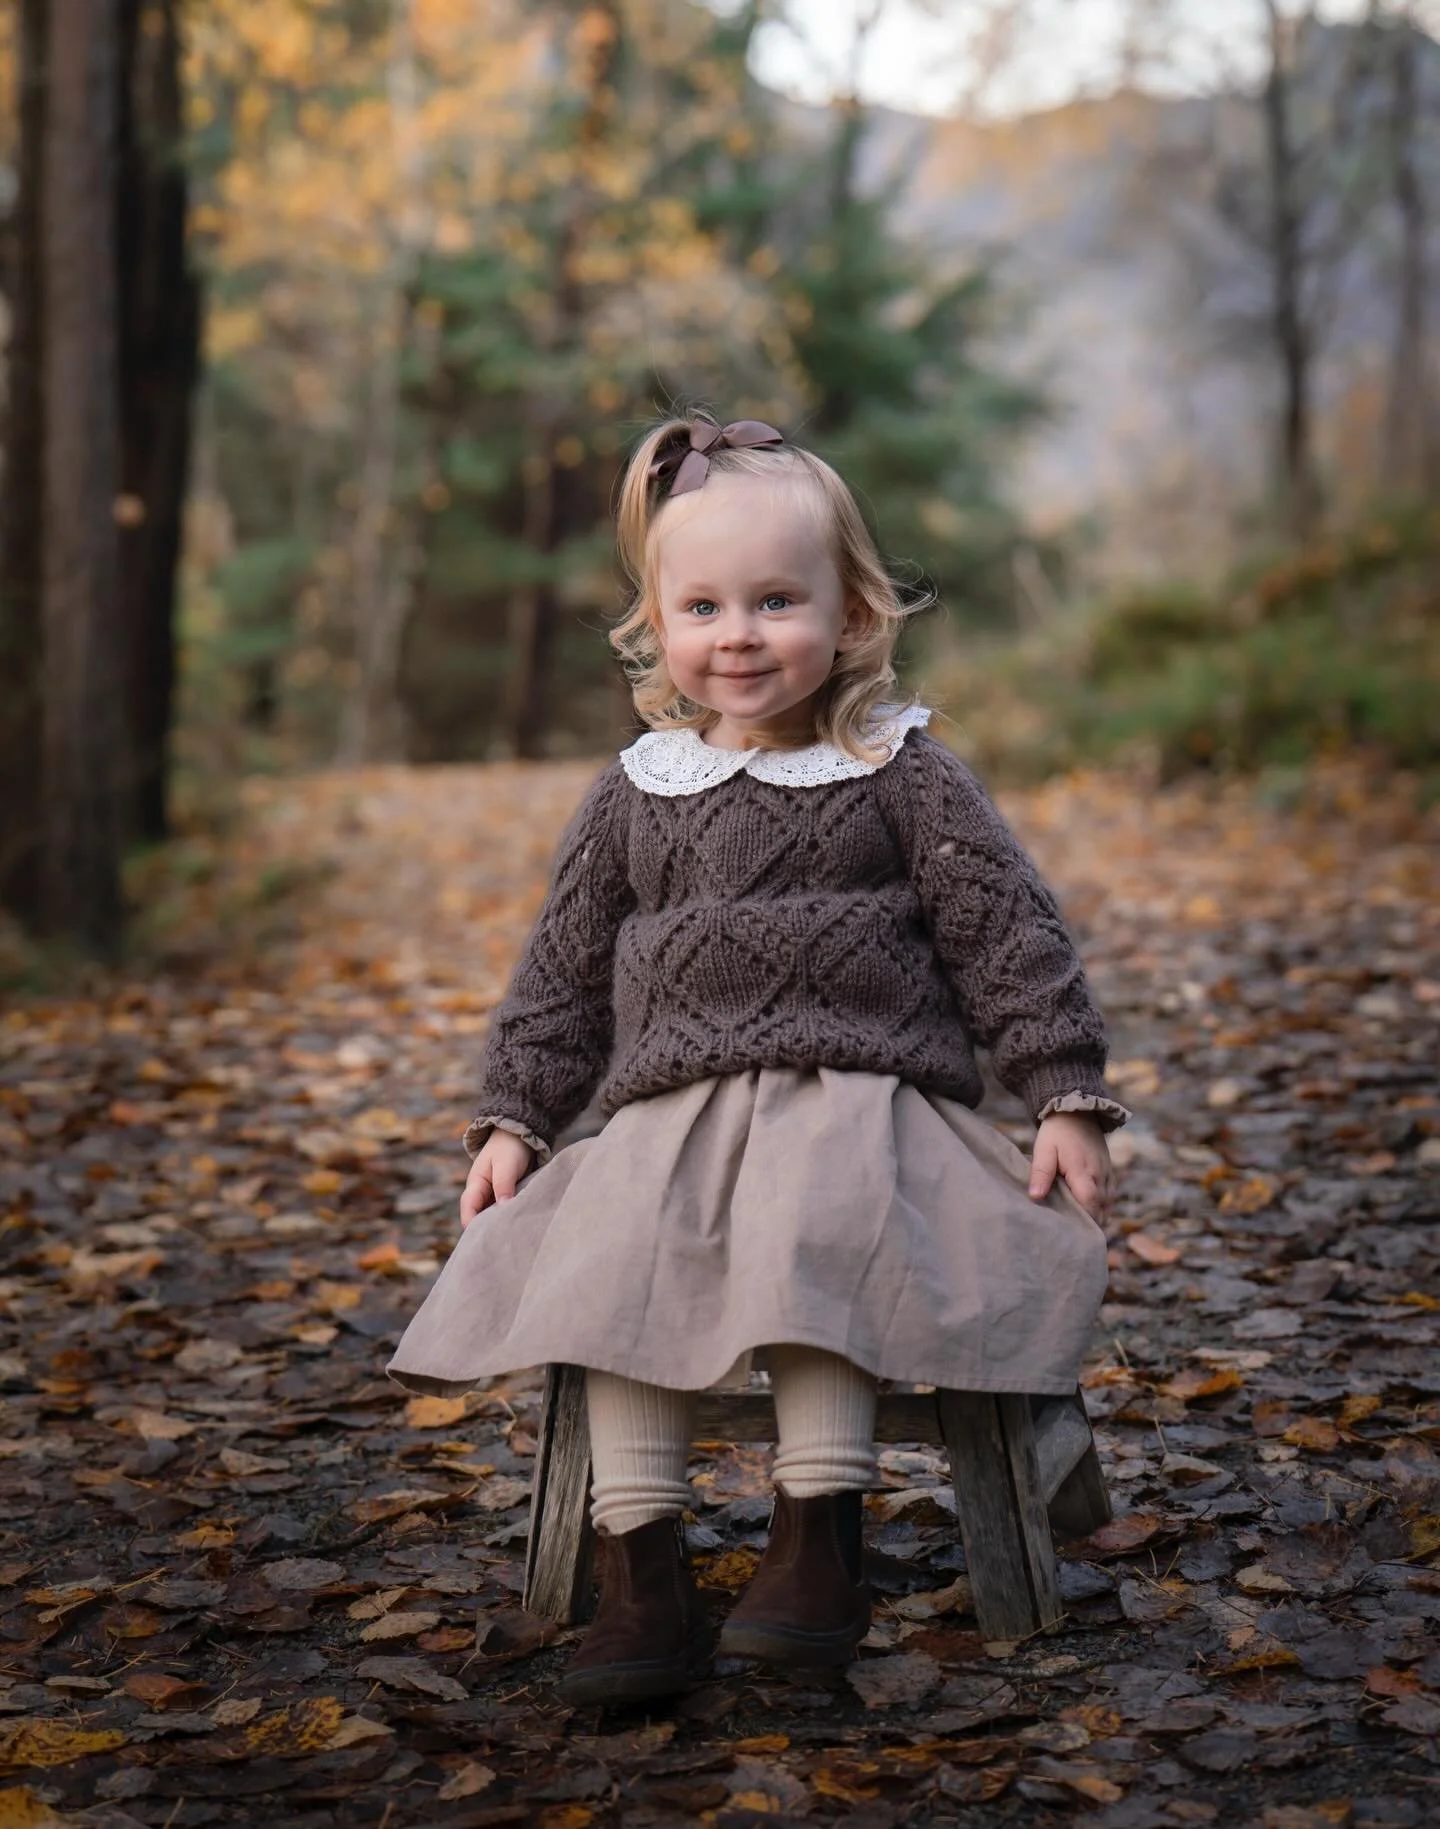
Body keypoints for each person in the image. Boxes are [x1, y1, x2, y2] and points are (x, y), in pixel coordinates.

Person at [387, 410, 1130, 1706]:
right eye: (704, 607)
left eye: (777, 601)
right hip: (667, 1116)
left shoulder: (900, 771)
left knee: (817, 1231)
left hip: (861, 1106)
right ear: (657, 625)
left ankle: (815, 1538)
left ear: (853, 614)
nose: (738, 634)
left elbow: (1007, 935)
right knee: (605, 1262)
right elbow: (563, 974)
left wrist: (1063, 1090)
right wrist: (515, 1117)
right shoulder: (638, 790)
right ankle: (641, 1563)